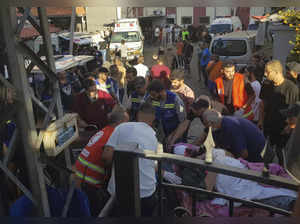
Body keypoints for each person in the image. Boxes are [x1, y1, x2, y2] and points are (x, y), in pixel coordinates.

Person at [102, 103, 158, 217]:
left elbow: (106, 157)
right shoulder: (154, 136)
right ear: (153, 120)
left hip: (118, 192)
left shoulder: (121, 127)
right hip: (146, 193)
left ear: (137, 115)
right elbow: (154, 167)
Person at [74, 106, 129, 216]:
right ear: (121, 122)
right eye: (127, 123)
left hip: (79, 174)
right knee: (96, 214)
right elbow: (107, 159)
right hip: (89, 181)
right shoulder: (113, 135)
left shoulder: (105, 130)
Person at [259, 60, 299, 165]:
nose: (265, 74)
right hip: (268, 125)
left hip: (283, 129)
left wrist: (290, 126)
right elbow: (262, 105)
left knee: (281, 155)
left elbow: (295, 111)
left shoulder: (292, 88)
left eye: (267, 72)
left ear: (277, 72)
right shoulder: (266, 84)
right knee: (266, 155)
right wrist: (261, 121)